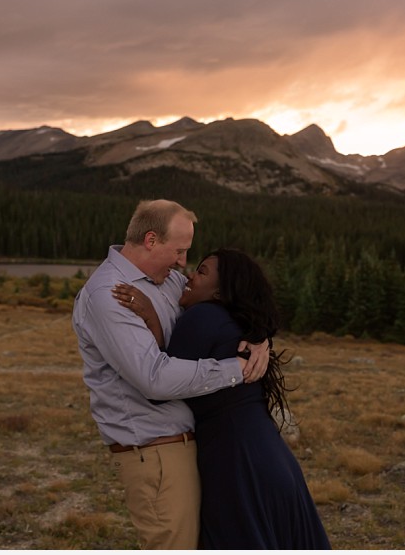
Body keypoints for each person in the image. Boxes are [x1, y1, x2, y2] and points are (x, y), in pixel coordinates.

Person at [71, 199, 269, 550]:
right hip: (156, 452)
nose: (184, 263)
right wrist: (237, 369)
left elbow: (232, 302)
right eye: (179, 251)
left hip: (184, 446)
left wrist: (259, 338)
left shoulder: (168, 282)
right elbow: (154, 378)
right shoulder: (108, 294)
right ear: (150, 240)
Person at [113, 248, 331, 549]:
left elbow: (162, 386)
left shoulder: (201, 317)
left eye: (201, 272)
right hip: (272, 457)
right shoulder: (234, 322)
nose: (190, 276)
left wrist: (150, 316)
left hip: (237, 460)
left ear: (220, 292)